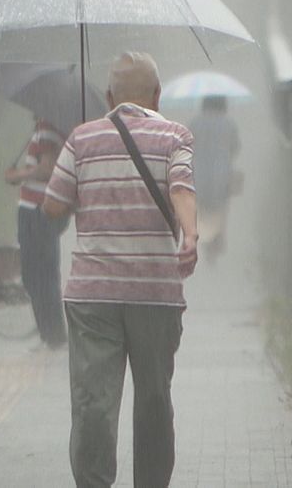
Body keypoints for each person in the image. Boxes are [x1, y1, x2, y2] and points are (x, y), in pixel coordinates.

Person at [42, 52, 199, 488]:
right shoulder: (174, 136)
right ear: (157, 95)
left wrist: (85, 179)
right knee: (153, 401)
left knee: (94, 402)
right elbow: (182, 186)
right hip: (155, 293)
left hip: (93, 295)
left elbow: (53, 205)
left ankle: (93, 481)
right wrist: (191, 235)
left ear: (108, 96)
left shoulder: (81, 138)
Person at [4, 117, 68, 350]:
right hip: (40, 209)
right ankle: (50, 333)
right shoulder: (45, 128)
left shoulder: (48, 128)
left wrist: (17, 176)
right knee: (41, 274)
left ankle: (52, 334)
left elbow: (47, 168)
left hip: (37, 210)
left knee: (37, 275)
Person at [187, 95, 240, 263]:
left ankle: (205, 242)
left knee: (201, 212)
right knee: (220, 212)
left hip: (198, 175)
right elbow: (235, 147)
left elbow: (186, 145)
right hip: (221, 175)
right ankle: (216, 245)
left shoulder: (195, 122)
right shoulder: (229, 123)